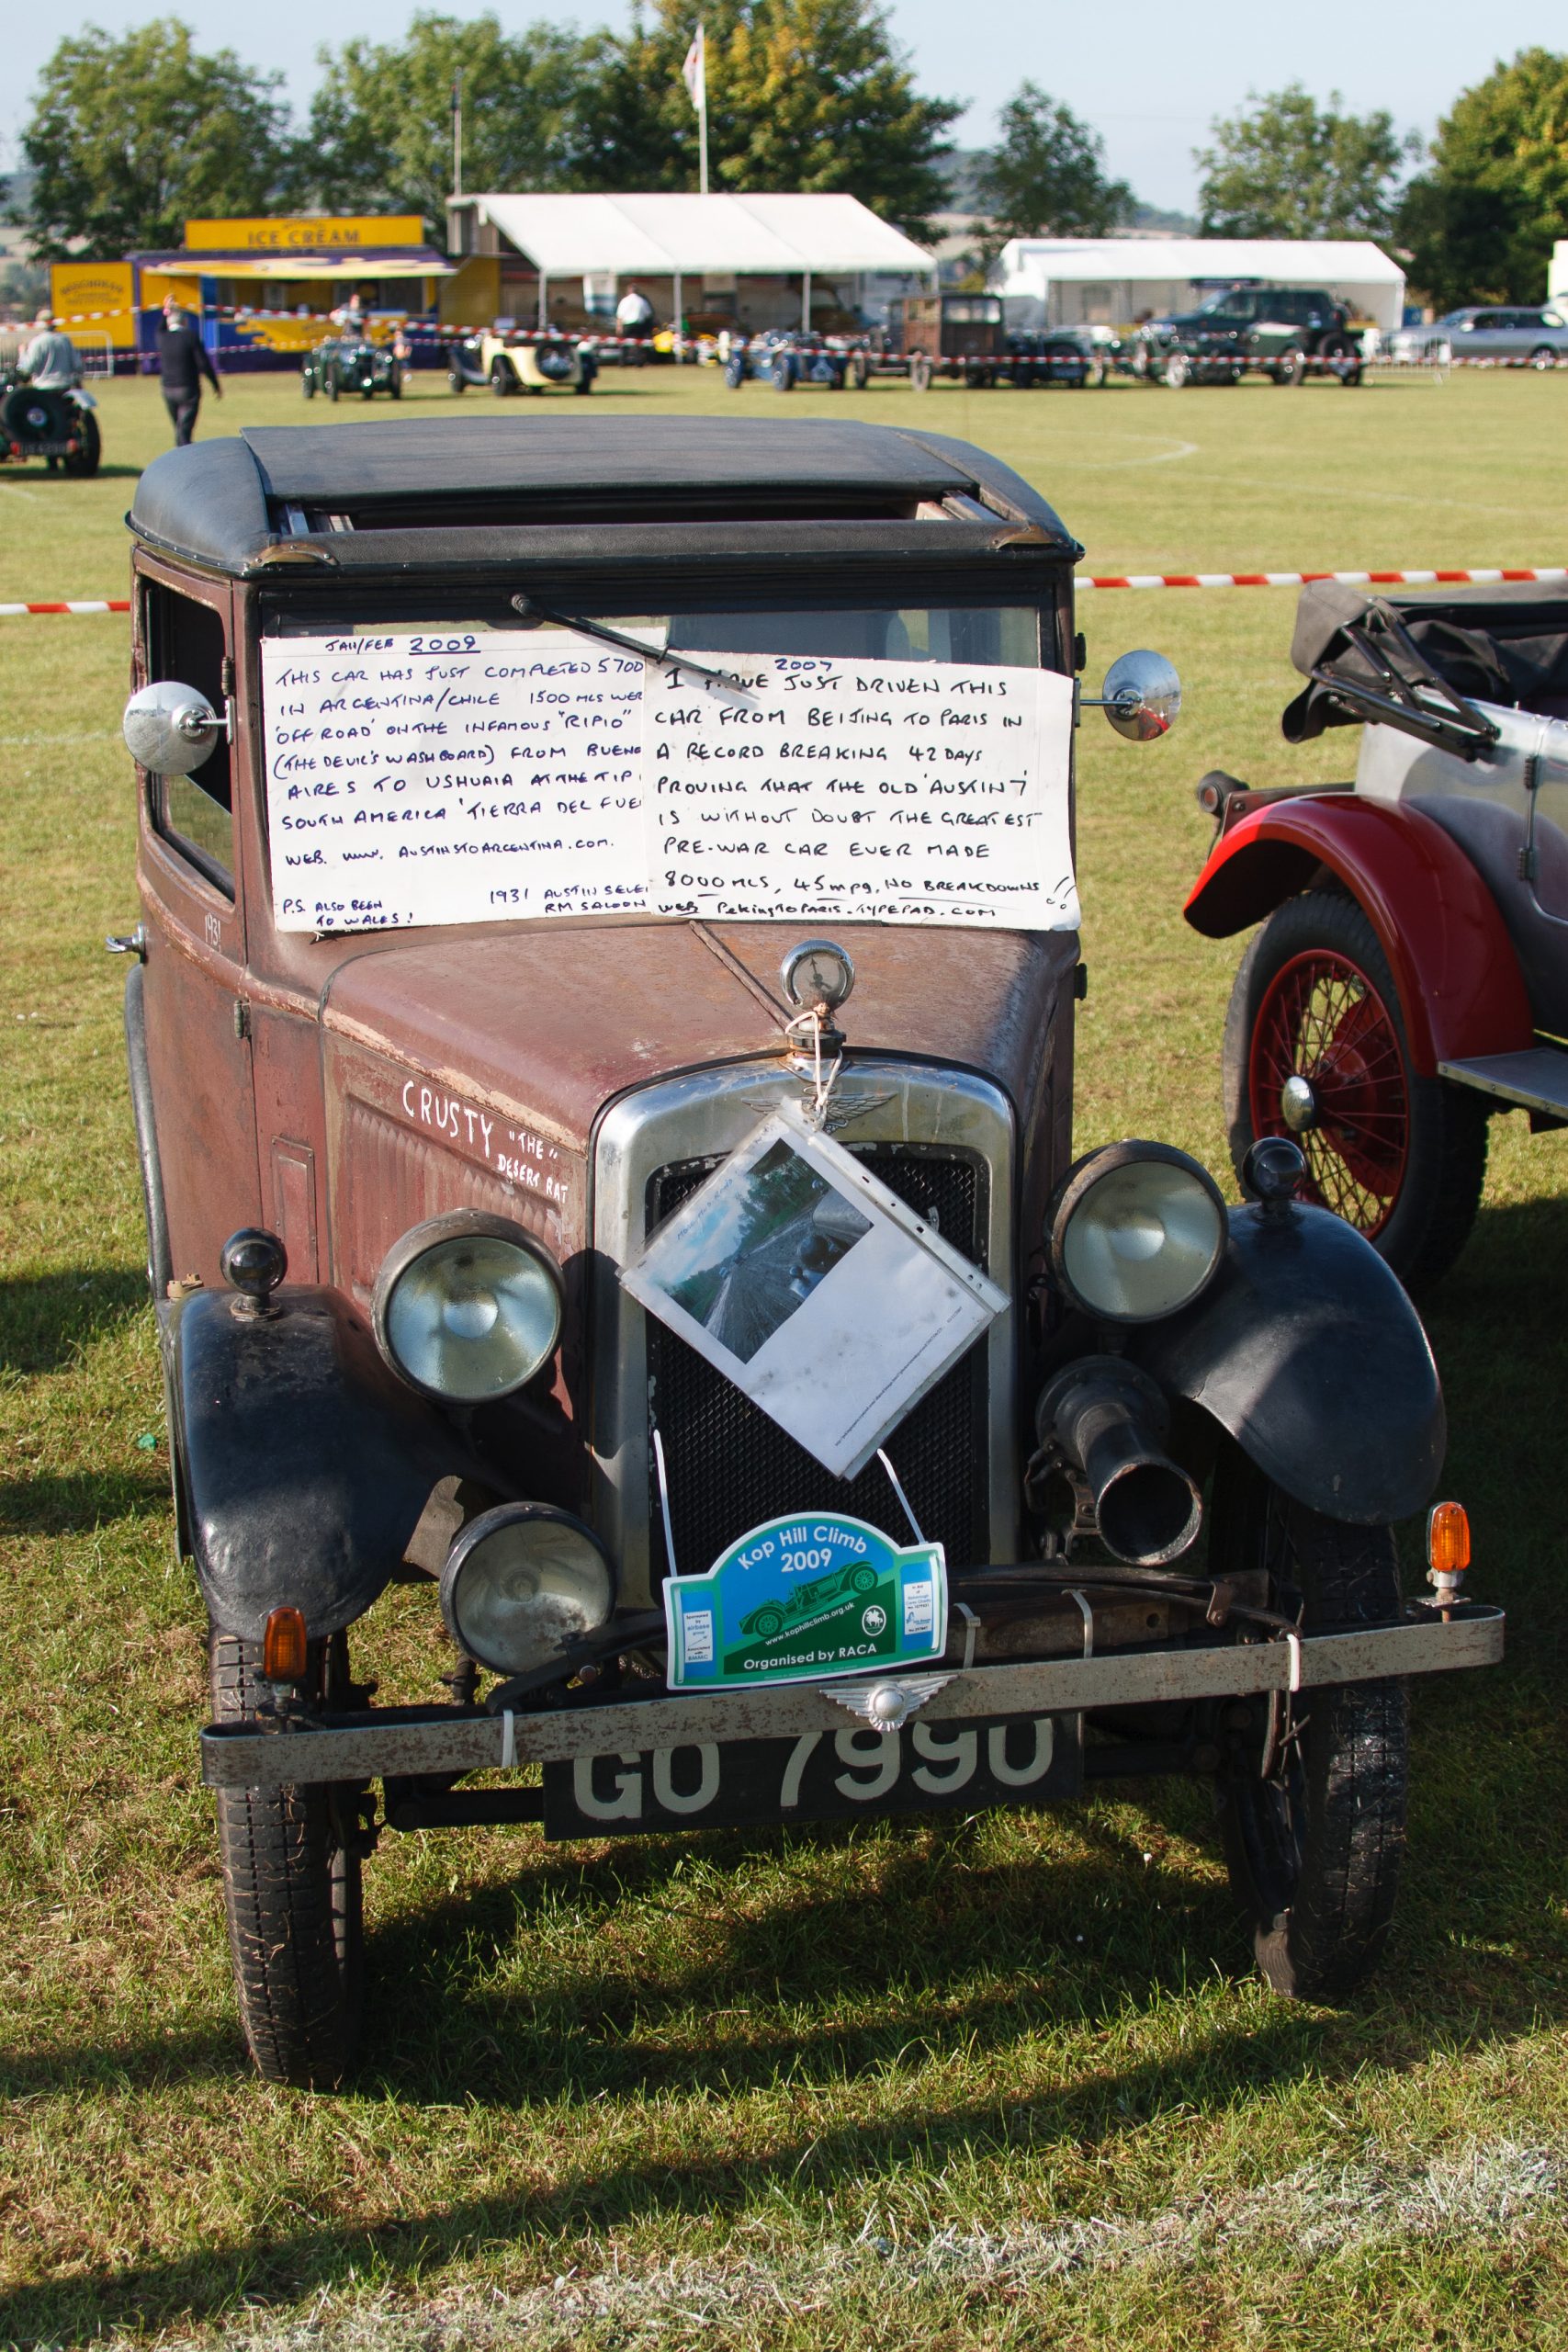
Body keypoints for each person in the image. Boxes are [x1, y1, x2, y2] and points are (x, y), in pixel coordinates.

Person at [158, 298, 221, 447]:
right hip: (188, 390)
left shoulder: (162, 337)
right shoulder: (190, 337)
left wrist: (165, 310)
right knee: (184, 431)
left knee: (179, 429)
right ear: (184, 322)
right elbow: (203, 363)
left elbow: (159, 328)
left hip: (167, 390)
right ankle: (184, 461)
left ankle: (181, 454)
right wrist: (215, 384)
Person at [19, 309, 82, 391]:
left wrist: (22, 353)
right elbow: (77, 365)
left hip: (43, 387)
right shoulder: (65, 340)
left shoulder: (37, 342)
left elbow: (29, 367)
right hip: (65, 386)